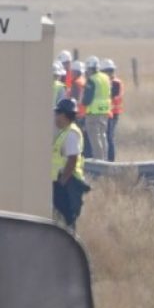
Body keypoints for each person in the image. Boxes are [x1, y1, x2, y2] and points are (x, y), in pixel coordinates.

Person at [52, 97, 90, 231]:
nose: (55, 117)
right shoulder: (65, 131)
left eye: (57, 114)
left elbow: (72, 159)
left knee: (67, 220)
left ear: (64, 115)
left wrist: (62, 182)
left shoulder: (71, 134)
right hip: (63, 181)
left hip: (68, 182)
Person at [81, 55, 112, 161]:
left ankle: (99, 160)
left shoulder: (92, 80)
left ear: (90, 68)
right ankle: (105, 159)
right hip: (105, 111)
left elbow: (87, 99)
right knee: (103, 136)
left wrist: (83, 102)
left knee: (95, 137)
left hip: (93, 112)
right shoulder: (105, 78)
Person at [103, 58, 123, 162]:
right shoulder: (106, 82)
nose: (110, 73)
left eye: (111, 71)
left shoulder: (116, 83)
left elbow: (113, 95)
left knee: (110, 137)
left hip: (113, 113)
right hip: (107, 113)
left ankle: (111, 160)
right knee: (106, 136)